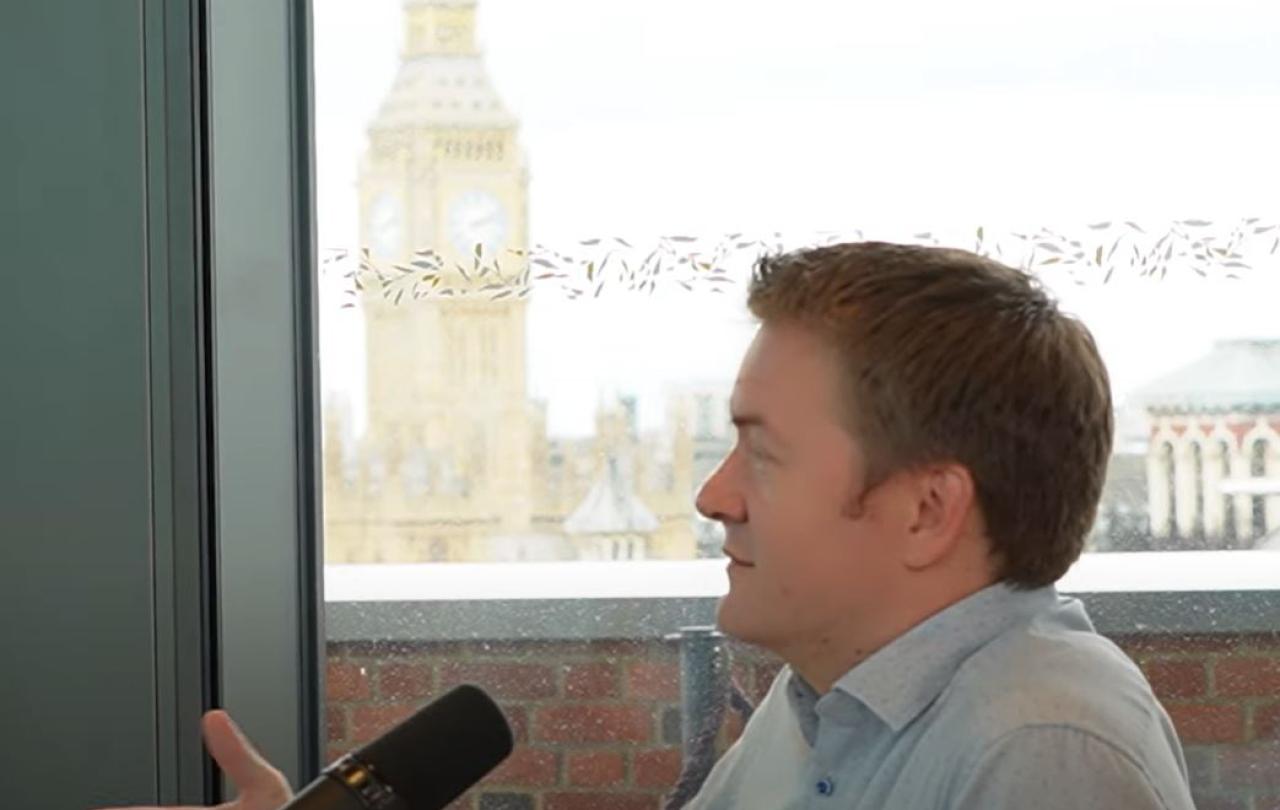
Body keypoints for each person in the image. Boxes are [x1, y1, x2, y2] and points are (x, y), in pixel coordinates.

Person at [103, 242, 1195, 810]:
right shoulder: (824, 702)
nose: (714, 495)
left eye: (760, 452)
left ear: (924, 510)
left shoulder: (1039, 751)